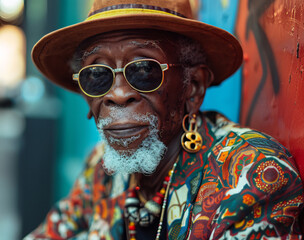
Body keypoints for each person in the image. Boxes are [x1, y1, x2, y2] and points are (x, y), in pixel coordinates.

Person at [25, 0, 304, 239]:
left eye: (144, 70)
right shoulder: (100, 169)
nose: (118, 95)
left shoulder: (254, 174)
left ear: (193, 87)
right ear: (87, 100)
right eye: (97, 76)